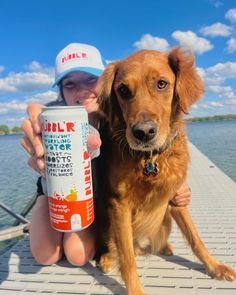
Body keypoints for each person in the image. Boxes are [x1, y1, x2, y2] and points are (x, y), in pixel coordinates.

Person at [20, 43, 191, 266]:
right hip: (54, 195)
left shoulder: (117, 116)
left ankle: (58, 230)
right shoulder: (58, 116)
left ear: (106, 84)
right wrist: (33, 120)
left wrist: (175, 185)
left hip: (90, 201)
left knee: (77, 255)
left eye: (90, 80)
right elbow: (37, 112)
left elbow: (156, 152)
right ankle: (42, 216)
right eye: (70, 83)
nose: (81, 90)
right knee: (46, 256)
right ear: (61, 91)